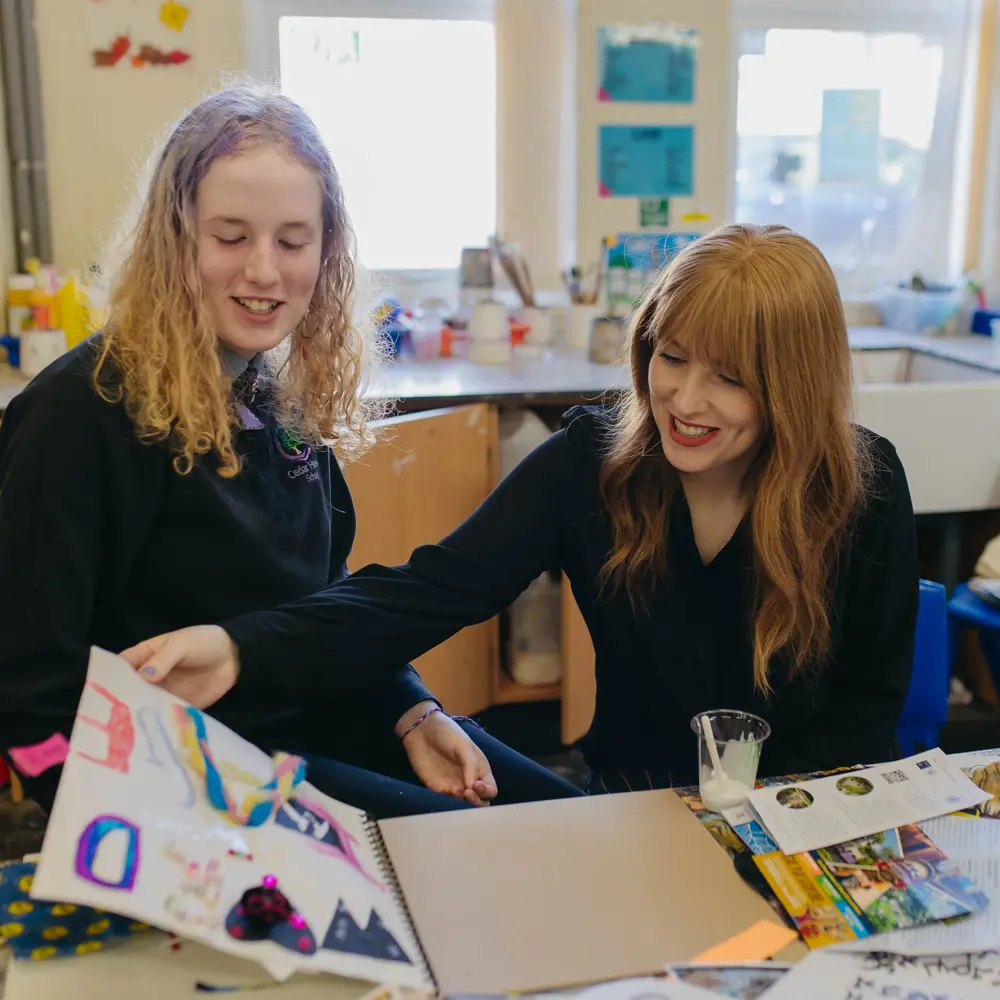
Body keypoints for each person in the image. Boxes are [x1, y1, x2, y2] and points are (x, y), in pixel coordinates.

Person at [122, 223, 920, 793]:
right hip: (630, 812)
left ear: (793, 384)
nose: (683, 398)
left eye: (730, 378)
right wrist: (239, 648)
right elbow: (425, 591)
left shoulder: (862, 487)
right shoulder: (593, 465)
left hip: (795, 824)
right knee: (425, 761)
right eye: (670, 357)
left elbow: (866, 720)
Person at [0, 85, 581, 820]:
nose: (265, 272)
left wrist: (410, 708)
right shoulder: (77, 416)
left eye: (293, 240)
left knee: (566, 819)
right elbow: (26, 692)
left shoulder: (268, 391)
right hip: (186, 774)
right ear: (174, 240)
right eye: (231, 236)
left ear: (326, 251)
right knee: (477, 852)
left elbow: (325, 599)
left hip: (316, 716)